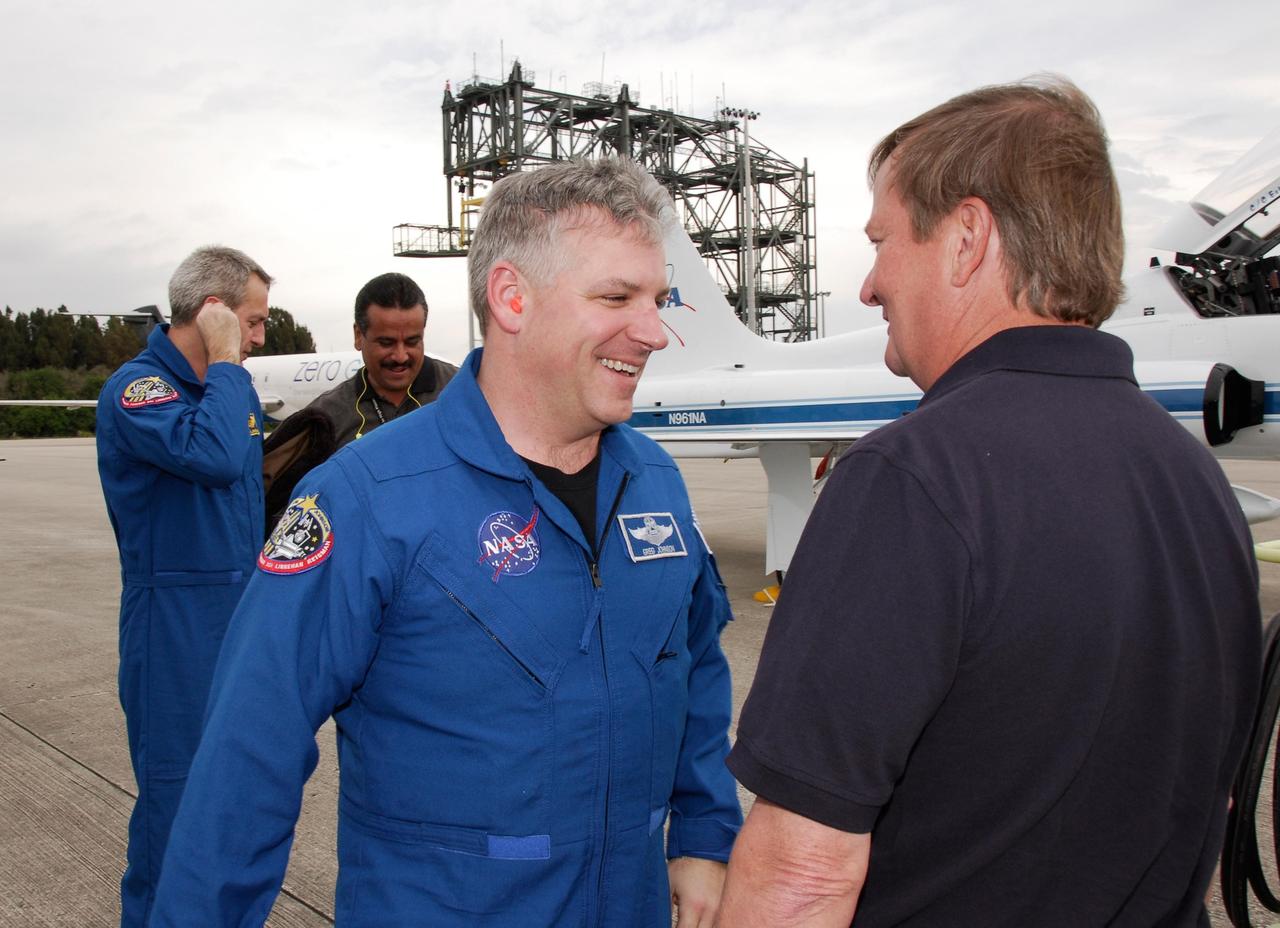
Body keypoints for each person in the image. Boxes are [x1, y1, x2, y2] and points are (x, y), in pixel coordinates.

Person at [717, 77, 1262, 927]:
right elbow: (1209, 801)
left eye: (883, 241)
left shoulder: (908, 481)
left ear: (966, 238)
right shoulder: (1199, 485)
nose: (868, 285)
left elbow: (802, 876)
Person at [151, 158, 742, 927]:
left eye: (657, 300)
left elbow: (694, 667)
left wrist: (702, 836)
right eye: (617, 297)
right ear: (511, 297)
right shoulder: (367, 498)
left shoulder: (656, 485)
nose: (655, 332)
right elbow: (246, 758)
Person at [95, 245, 271, 927]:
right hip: (174, 631)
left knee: (236, 808)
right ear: (214, 312)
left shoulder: (223, 391)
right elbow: (217, 456)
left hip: (237, 619)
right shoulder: (141, 390)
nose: (259, 338)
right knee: (177, 814)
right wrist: (226, 362)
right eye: (251, 322)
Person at [260, 272, 456, 525]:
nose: (400, 356)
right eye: (386, 343)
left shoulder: (463, 395)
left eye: (412, 341)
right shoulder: (327, 416)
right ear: (358, 336)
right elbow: (270, 501)